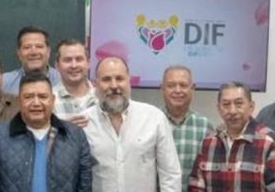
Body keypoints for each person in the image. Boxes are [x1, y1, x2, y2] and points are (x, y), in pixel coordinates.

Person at [0, 71, 92, 192]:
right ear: (19, 101)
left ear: (52, 100)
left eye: (43, 97)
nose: (36, 103)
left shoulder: (75, 136)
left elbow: (84, 187)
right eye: (29, 97)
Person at [82, 56, 181, 192]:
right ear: (95, 84)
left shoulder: (154, 118)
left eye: (119, 78)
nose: (114, 85)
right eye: (106, 79)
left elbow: (170, 175)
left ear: (129, 81)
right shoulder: (84, 122)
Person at [189, 81, 275, 191]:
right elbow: (196, 186)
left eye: (239, 104)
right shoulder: (208, 143)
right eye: (226, 104)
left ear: (251, 107)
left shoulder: (269, 142)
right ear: (219, 108)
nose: (232, 111)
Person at [160, 65, 213, 191]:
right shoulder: (151, 123)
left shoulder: (205, 127)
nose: (178, 90)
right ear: (162, 89)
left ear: (192, 88)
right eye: (171, 85)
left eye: (183, 85)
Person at [1, 27, 62, 94]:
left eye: (39, 46)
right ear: (19, 53)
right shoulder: (3, 83)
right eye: (27, 47)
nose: (34, 52)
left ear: (48, 51)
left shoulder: (62, 80)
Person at [52, 40, 97, 127]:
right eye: (67, 60)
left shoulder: (101, 97)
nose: (74, 65)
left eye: (79, 59)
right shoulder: (48, 100)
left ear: (88, 63)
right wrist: (65, 129)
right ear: (57, 66)